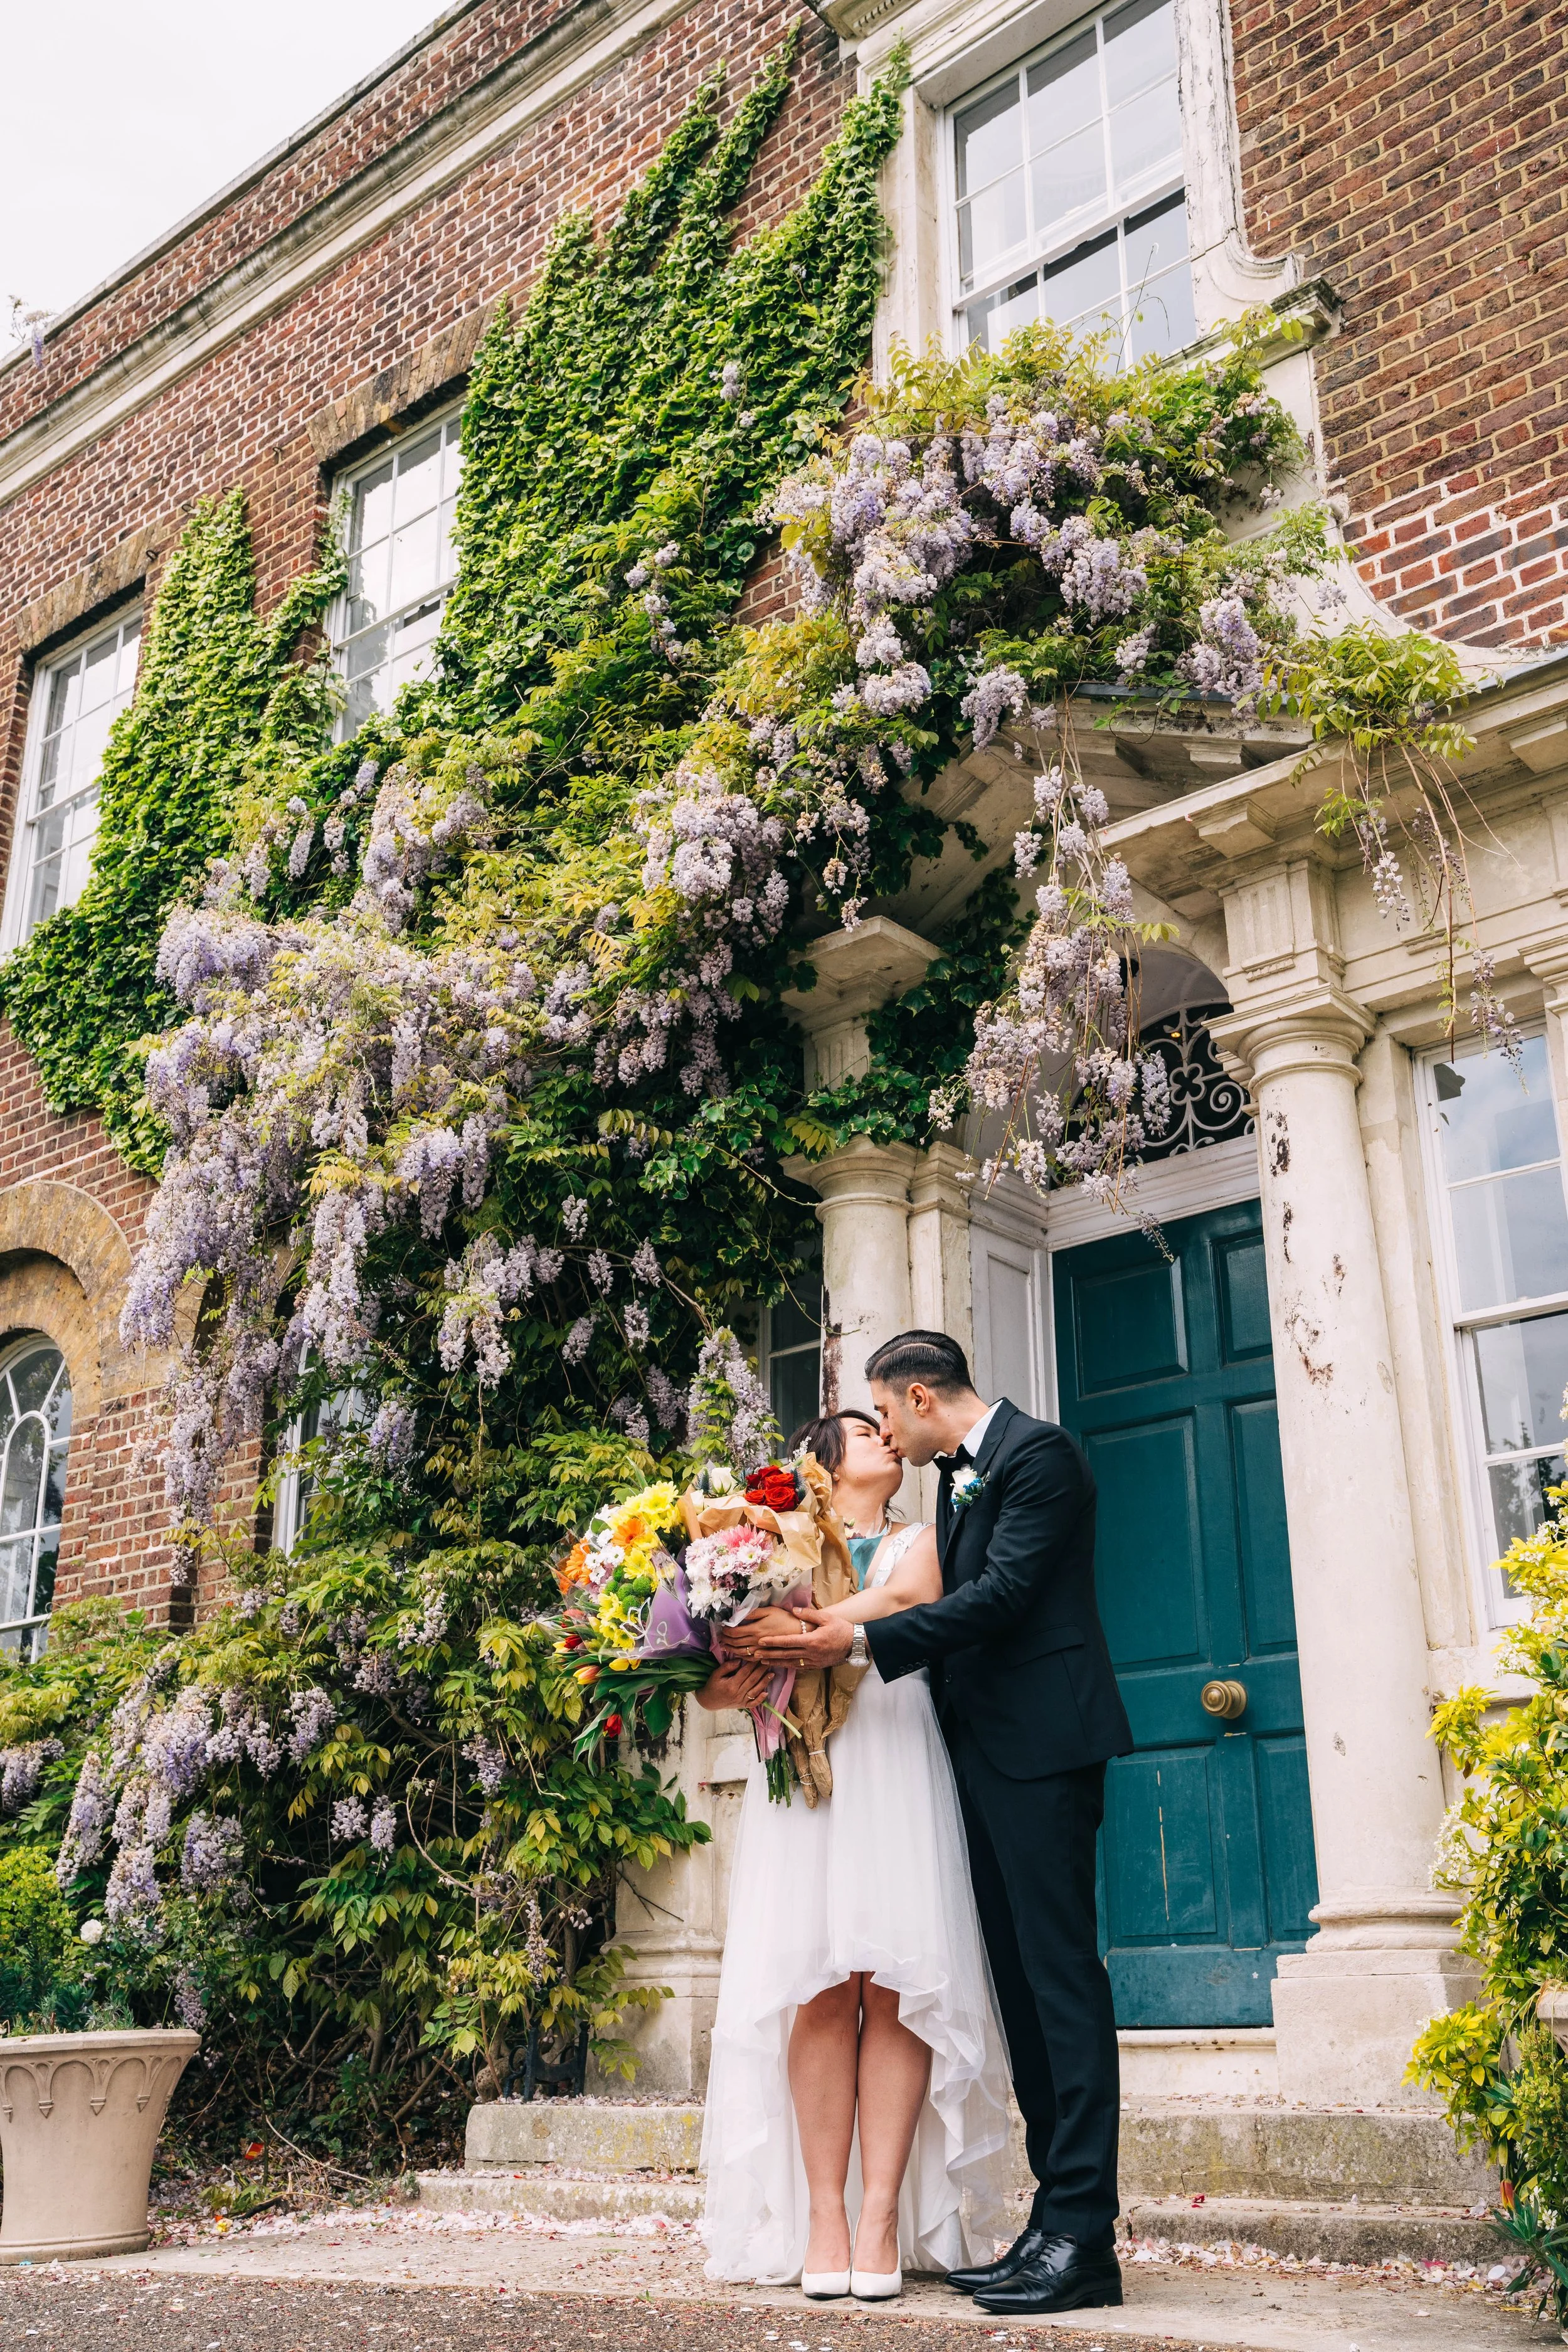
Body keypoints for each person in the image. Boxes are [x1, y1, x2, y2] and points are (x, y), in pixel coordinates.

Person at [736, 1333, 1133, 2317]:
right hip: (979, 1759)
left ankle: (1084, 2230)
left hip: (1043, 1747)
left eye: (886, 1412)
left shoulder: (1038, 1456)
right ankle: (1055, 2225)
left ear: (918, 1396)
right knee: (1024, 1991)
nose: (889, 1437)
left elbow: (998, 1599)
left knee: (1062, 1983)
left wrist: (854, 1635)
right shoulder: (963, 1478)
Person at [696, 1406, 1011, 2300]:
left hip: (892, 1754)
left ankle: (880, 2216)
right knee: (821, 1986)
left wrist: (797, 1626)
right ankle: (825, 2216)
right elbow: (716, 1675)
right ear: (824, 1459)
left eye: (888, 1426)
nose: (886, 1437)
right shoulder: (767, 1544)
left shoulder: (919, 1539)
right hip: (803, 1759)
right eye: (865, 1428)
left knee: (897, 1981)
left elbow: (900, 1606)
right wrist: (732, 1670)